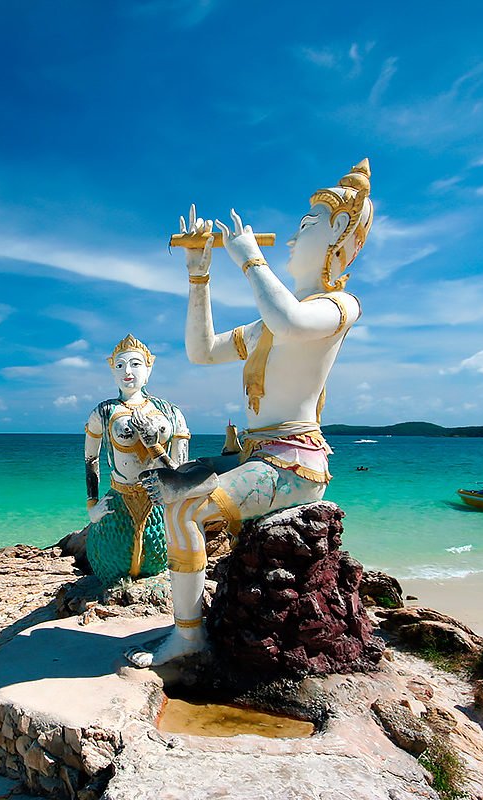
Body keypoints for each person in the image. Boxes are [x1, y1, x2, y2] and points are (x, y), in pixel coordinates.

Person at [129, 160, 373, 667]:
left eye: (307, 227)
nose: (290, 239)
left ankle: (188, 641)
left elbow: (289, 319)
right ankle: (192, 626)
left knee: (184, 507)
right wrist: (200, 274)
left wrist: (248, 260)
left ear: (340, 239)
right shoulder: (272, 321)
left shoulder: (338, 304)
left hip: (293, 463)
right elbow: (202, 350)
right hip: (253, 455)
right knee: (168, 482)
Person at [83, 335, 190, 585]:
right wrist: (92, 507)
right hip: (118, 501)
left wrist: (154, 446)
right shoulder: (104, 412)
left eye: (135, 364)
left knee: (157, 561)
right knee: (112, 563)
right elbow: (91, 458)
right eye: (119, 366)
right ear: (112, 370)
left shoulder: (171, 413)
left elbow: (181, 473)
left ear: (149, 368)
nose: (127, 371)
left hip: (158, 502)